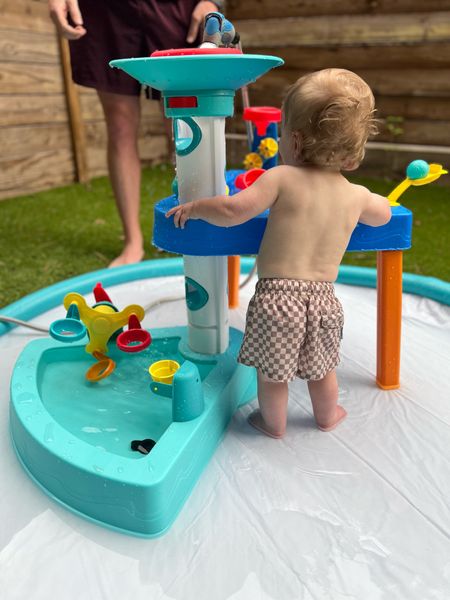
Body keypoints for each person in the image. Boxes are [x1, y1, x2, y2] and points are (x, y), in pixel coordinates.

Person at [166, 68, 392, 438]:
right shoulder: (357, 195)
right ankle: (327, 415)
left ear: (296, 143)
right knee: (322, 369)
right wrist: (374, 199)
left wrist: (197, 206)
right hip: (323, 300)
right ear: (352, 157)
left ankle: (272, 424)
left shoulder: (280, 178)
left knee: (272, 373)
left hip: (277, 299)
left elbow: (233, 211)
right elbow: (383, 216)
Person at [48, 0, 223, 267]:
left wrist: (212, 1)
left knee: (182, 122)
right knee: (120, 124)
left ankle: (195, 229)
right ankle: (133, 242)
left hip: (177, 8)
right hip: (106, 11)